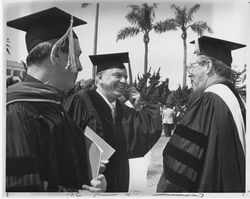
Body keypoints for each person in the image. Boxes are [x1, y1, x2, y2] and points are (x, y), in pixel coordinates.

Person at [6, 7, 106, 192]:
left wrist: (92, 181)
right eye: (76, 55)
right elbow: (20, 188)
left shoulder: (53, 105)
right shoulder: (15, 109)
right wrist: (75, 195)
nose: (81, 66)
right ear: (57, 54)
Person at [157, 36, 246, 192]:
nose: (189, 73)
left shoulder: (208, 101)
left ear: (208, 66)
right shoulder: (238, 100)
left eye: (191, 66)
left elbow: (179, 169)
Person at [63, 52, 162, 192]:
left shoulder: (123, 109)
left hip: (119, 182)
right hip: (88, 185)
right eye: (117, 75)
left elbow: (146, 132)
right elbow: (64, 146)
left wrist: (139, 106)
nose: (124, 81)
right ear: (99, 78)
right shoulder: (80, 102)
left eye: (125, 77)